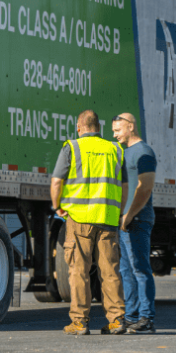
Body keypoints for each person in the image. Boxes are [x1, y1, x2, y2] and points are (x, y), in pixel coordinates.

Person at [50, 110, 127, 336]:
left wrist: (57, 207)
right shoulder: (115, 149)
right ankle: (116, 320)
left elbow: (56, 182)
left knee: (79, 272)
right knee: (110, 272)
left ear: (79, 127)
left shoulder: (72, 148)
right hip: (107, 220)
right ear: (99, 128)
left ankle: (80, 323)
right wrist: (120, 212)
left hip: (80, 219)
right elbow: (124, 188)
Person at [111, 113, 158, 334]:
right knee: (126, 271)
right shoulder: (125, 152)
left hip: (137, 219)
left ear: (131, 126)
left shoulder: (144, 152)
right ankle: (131, 317)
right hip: (125, 221)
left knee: (140, 269)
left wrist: (129, 214)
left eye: (118, 130)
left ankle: (146, 319)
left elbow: (145, 188)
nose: (114, 134)